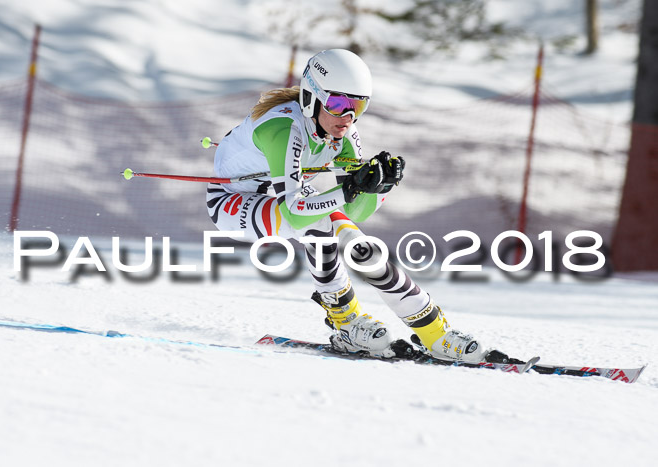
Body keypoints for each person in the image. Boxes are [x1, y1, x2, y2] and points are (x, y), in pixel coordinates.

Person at [206, 48, 489, 362]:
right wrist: (351, 188)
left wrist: (378, 188)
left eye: (358, 106)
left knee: (359, 245)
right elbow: (296, 211)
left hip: (285, 195)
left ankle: (434, 332)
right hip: (233, 201)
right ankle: (346, 324)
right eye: (339, 104)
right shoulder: (284, 130)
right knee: (318, 225)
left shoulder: (343, 132)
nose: (348, 117)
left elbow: (354, 212)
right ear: (312, 97)